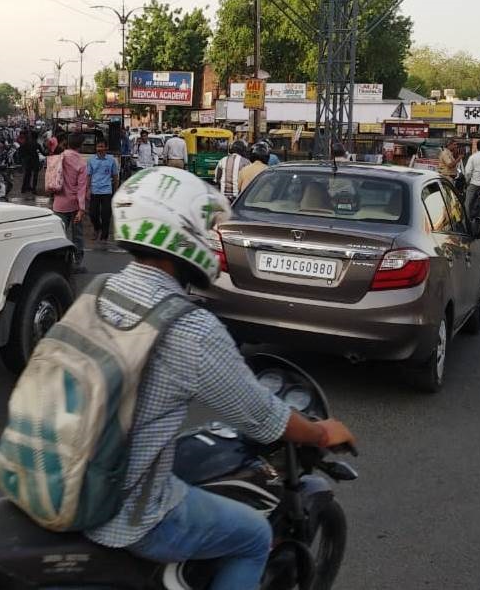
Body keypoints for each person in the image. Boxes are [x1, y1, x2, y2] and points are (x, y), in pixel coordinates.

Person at [86, 167, 357, 588]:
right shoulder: (189, 327)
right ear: (183, 235)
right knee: (251, 537)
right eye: (205, 229)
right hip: (121, 511)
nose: (211, 242)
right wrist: (321, 434)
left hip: (47, 476)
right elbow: (262, 416)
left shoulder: (99, 289)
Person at [52, 134, 90, 269]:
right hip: (74, 205)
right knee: (77, 236)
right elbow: (81, 188)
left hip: (58, 203)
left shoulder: (60, 157)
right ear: (81, 145)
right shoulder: (81, 163)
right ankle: (77, 264)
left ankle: (57, 263)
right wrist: (82, 209)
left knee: (58, 235)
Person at [87, 141, 119, 244]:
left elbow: (115, 176)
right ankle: (97, 228)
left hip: (107, 191)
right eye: (98, 147)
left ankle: (104, 236)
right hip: (94, 190)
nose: (99, 149)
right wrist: (87, 189)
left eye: (102, 146)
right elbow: (89, 175)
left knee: (106, 214)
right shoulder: (91, 160)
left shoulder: (112, 160)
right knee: (93, 214)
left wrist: (116, 190)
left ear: (106, 148)